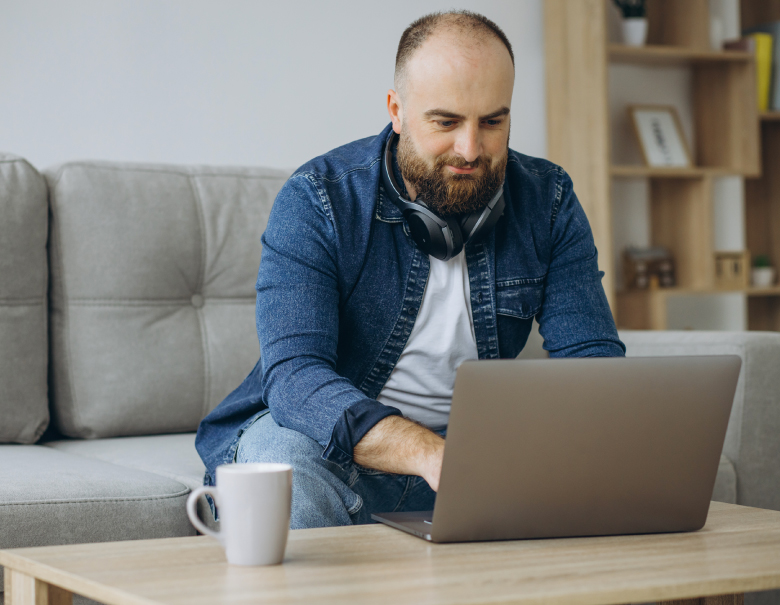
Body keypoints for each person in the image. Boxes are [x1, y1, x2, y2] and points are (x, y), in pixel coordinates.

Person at [195, 10, 625, 529]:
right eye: (445, 122)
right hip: (338, 448)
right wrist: (430, 453)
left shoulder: (548, 199)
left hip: (479, 457)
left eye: (493, 122)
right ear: (397, 111)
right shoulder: (318, 200)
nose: (471, 149)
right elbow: (294, 377)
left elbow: (592, 361)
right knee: (278, 460)